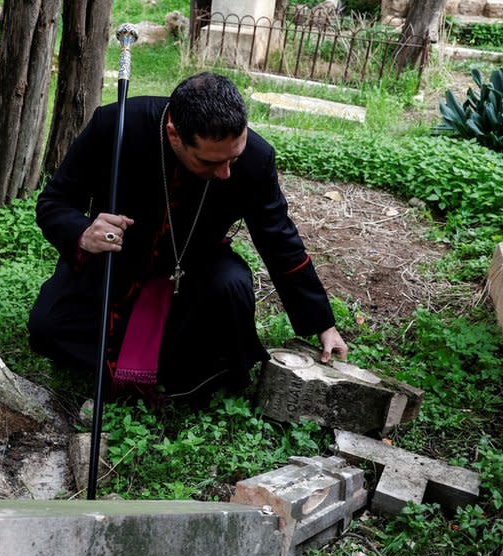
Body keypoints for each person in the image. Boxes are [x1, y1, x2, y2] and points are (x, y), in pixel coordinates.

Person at [28, 72, 347, 402]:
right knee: (47, 329)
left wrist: (322, 323)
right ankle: (162, 367)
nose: (226, 173)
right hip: (116, 265)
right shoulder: (116, 125)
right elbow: (54, 202)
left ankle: (178, 369)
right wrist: (83, 232)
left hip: (196, 270)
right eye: (211, 161)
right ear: (174, 135)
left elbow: (279, 239)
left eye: (233, 158)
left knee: (232, 286)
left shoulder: (256, 157)